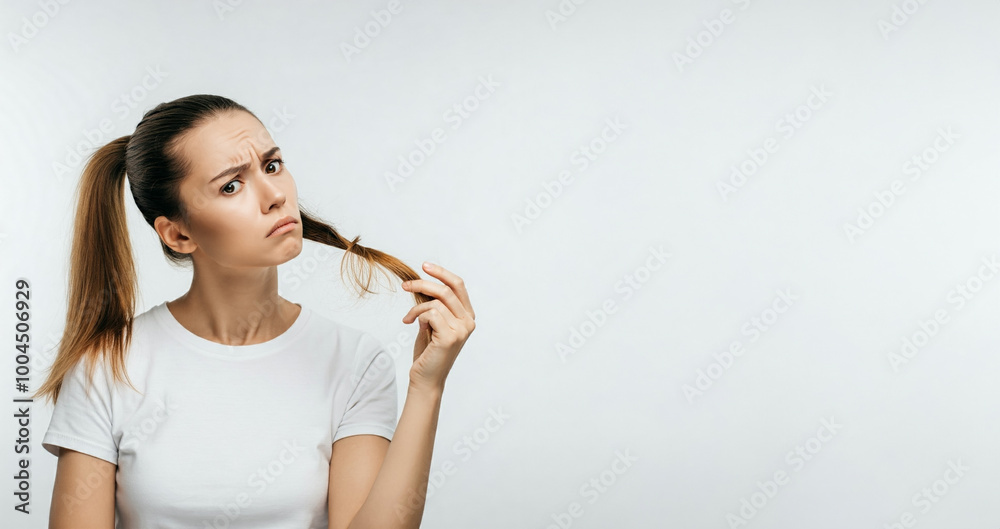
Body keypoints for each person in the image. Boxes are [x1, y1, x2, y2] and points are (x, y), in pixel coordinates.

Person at [33, 94, 476, 529]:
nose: (274, 195)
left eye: (272, 165)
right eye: (231, 185)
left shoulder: (355, 362)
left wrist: (427, 387)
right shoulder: (106, 367)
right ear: (178, 234)